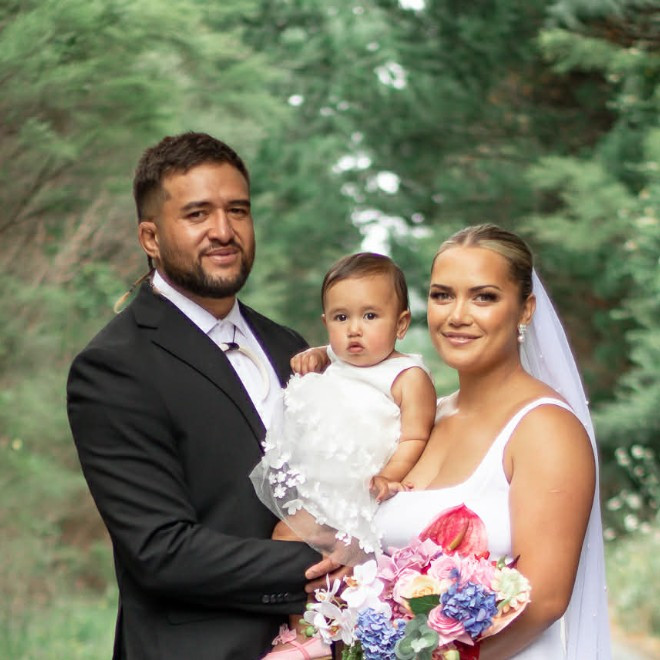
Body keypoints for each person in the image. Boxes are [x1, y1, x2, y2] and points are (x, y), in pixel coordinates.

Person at [66, 132, 338, 660]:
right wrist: (335, 563)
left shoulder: (289, 346)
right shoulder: (114, 366)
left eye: (238, 210)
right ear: (150, 237)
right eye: (197, 214)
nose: (224, 231)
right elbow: (160, 550)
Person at [375, 224, 611, 659]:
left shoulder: (545, 429)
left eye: (483, 297)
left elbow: (544, 601)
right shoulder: (422, 421)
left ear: (525, 310)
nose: (457, 315)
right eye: (442, 295)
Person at [250, 252, 437, 658]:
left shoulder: (407, 376)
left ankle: (334, 635)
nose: (354, 329)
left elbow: (415, 437)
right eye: (340, 318)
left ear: (401, 323)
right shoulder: (334, 359)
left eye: (370, 316)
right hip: (319, 489)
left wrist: (391, 475)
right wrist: (319, 354)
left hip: (363, 497)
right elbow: (330, 362)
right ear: (325, 323)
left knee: (346, 573)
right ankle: (299, 632)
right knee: (285, 540)